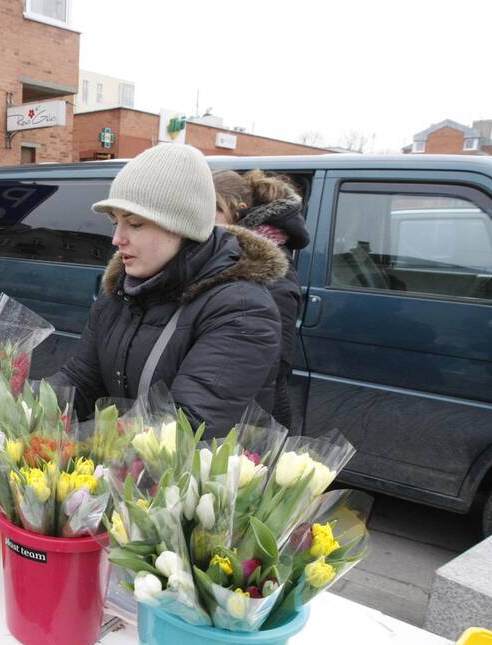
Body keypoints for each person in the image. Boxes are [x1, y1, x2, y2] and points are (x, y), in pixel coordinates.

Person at [50, 144, 287, 438]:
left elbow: (186, 426)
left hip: (196, 479)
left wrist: (68, 443)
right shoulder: (122, 292)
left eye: (134, 224)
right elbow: (81, 379)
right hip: (124, 473)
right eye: (115, 222)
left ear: (181, 226)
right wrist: (18, 416)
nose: (116, 239)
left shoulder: (242, 309)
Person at [213, 169, 308, 430]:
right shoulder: (226, 258)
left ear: (238, 210)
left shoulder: (270, 269)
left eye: (213, 210)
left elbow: (273, 364)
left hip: (255, 417)